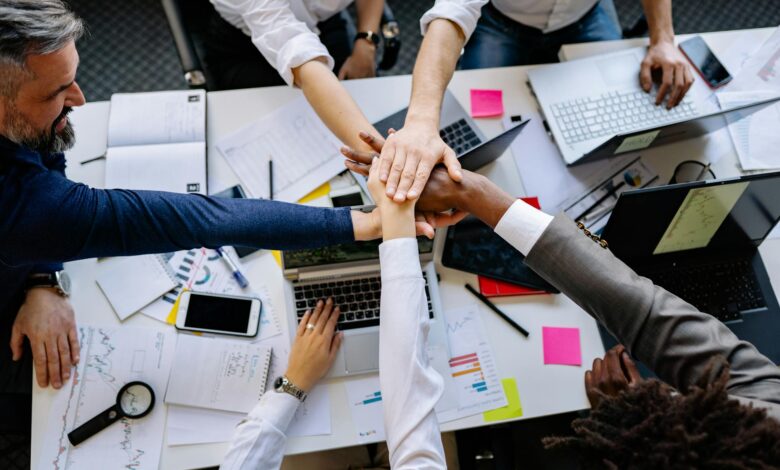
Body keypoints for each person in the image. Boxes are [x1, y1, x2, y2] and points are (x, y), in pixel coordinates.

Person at [0, 0, 439, 396]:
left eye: (73, 79)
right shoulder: (26, 209)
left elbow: (44, 145)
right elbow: (202, 219)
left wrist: (43, 276)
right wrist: (361, 223)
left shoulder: (22, 116)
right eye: (57, 92)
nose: (80, 98)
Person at [344, 135, 780, 467]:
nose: (672, 398)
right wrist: (475, 193)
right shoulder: (765, 423)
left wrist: (623, 423)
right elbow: (645, 313)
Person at [376, 0, 694, 205]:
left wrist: (664, 40)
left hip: (588, 13)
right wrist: (420, 123)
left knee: (621, 127)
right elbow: (449, 16)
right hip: (500, 21)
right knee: (484, 128)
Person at [207, 0, 385, 157]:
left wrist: (366, 42)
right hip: (247, 46)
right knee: (284, 145)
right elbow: (297, 52)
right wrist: (374, 152)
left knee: (364, 108)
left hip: (325, 22)